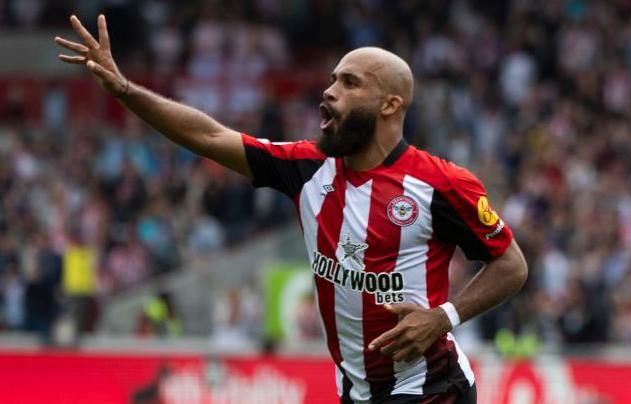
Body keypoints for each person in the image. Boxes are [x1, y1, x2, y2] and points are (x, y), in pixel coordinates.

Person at [55, 15, 528, 403]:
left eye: (349, 83)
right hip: (357, 391)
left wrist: (442, 317)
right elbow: (209, 136)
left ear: (389, 104)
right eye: (331, 80)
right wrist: (125, 91)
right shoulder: (305, 168)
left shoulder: (438, 183)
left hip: (430, 387)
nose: (329, 91)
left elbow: (511, 264)